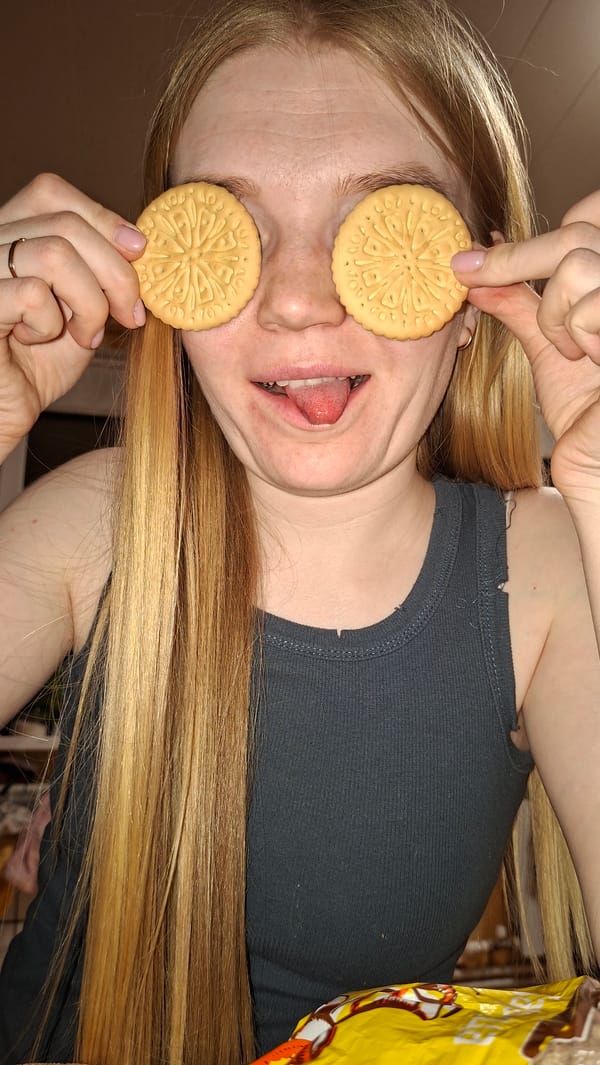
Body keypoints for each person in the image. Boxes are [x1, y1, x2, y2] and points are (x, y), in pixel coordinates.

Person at [0, 0, 599, 1062]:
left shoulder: (545, 568)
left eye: (377, 227)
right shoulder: (97, 524)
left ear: (478, 295)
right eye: (235, 233)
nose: (295, 300)